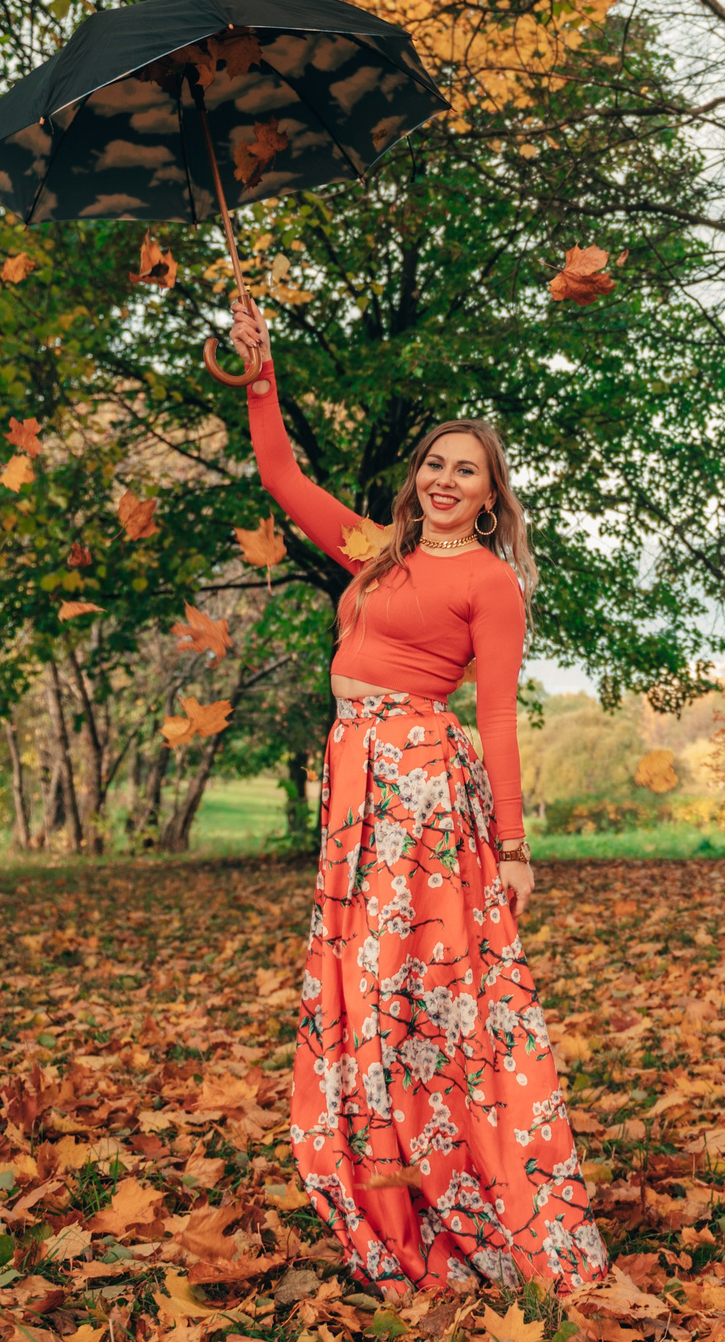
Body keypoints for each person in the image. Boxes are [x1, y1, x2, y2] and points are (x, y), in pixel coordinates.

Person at [226, 297, 607, 1297]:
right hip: (354, 780)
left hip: (422, 789)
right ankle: (389, 1179)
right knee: (366, 989)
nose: (443, 478)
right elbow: (279, 476)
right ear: (417, 480)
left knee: (417, 991)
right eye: (434, 462)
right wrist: (259, 370)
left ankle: (464, 1192)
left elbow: (498, 716)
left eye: (465, 469)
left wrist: (515, 847)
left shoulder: (490, 581)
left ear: (490, 496)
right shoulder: (376, 549)